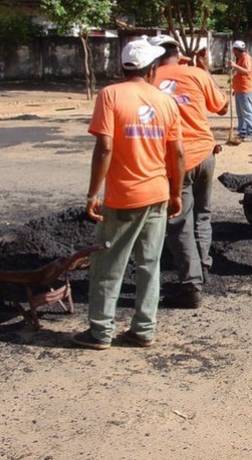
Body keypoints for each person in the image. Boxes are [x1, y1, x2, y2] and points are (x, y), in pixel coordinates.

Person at [72, 38, 185, 350]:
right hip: (158, 193)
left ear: (123, 67)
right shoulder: (166, 102)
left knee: (108, 265)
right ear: (151, 70)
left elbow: (105, 146)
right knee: (150, 263)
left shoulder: (110, 95)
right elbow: (177, 154)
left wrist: (93, 193)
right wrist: (176, 192)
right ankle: (144, 330)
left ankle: (100, 331)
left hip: (124, 197)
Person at [151, 36, 229, 309]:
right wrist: (204, 68)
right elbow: (222, 106)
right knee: (202, 214)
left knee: (178, 221)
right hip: (206, 155)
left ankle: (190, 285)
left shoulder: (150, 79)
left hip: (176, 159)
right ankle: (203, 266)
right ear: (177, 54)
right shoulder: (196, 74)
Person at [230, 40, 252, 141]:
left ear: (236, 50)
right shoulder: (240, 59)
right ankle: (242, 131)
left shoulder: (246, 58)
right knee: (240, 113)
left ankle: (250, 133)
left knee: (247, 112)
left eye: (234, 50)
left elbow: (247, 71)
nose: (233, 52)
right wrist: (235, 88)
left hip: (245, 89)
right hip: (239, 89)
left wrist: (234, 66)